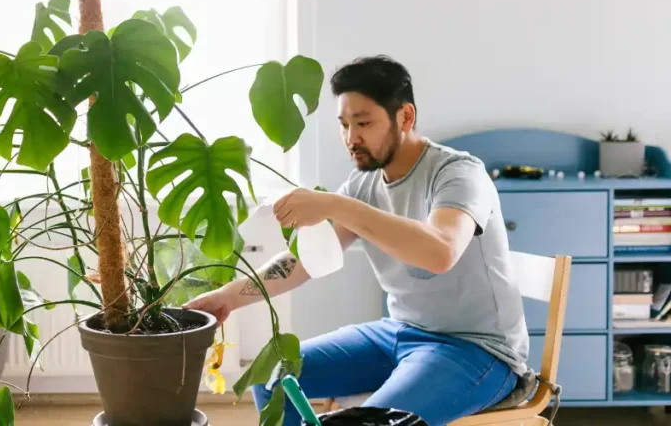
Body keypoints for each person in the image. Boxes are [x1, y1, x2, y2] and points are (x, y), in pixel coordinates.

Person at [185, 56, 529, 426]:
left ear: (405, 117)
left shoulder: (458, 173)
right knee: (272, 381)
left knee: (370, 423)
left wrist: (334, 204)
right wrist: (227, 299)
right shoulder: (364, 185)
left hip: (477, 351)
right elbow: (302, 262)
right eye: (345, 125)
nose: (352, 139)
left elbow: (440, 252)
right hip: (398, 333)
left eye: (363, 123)